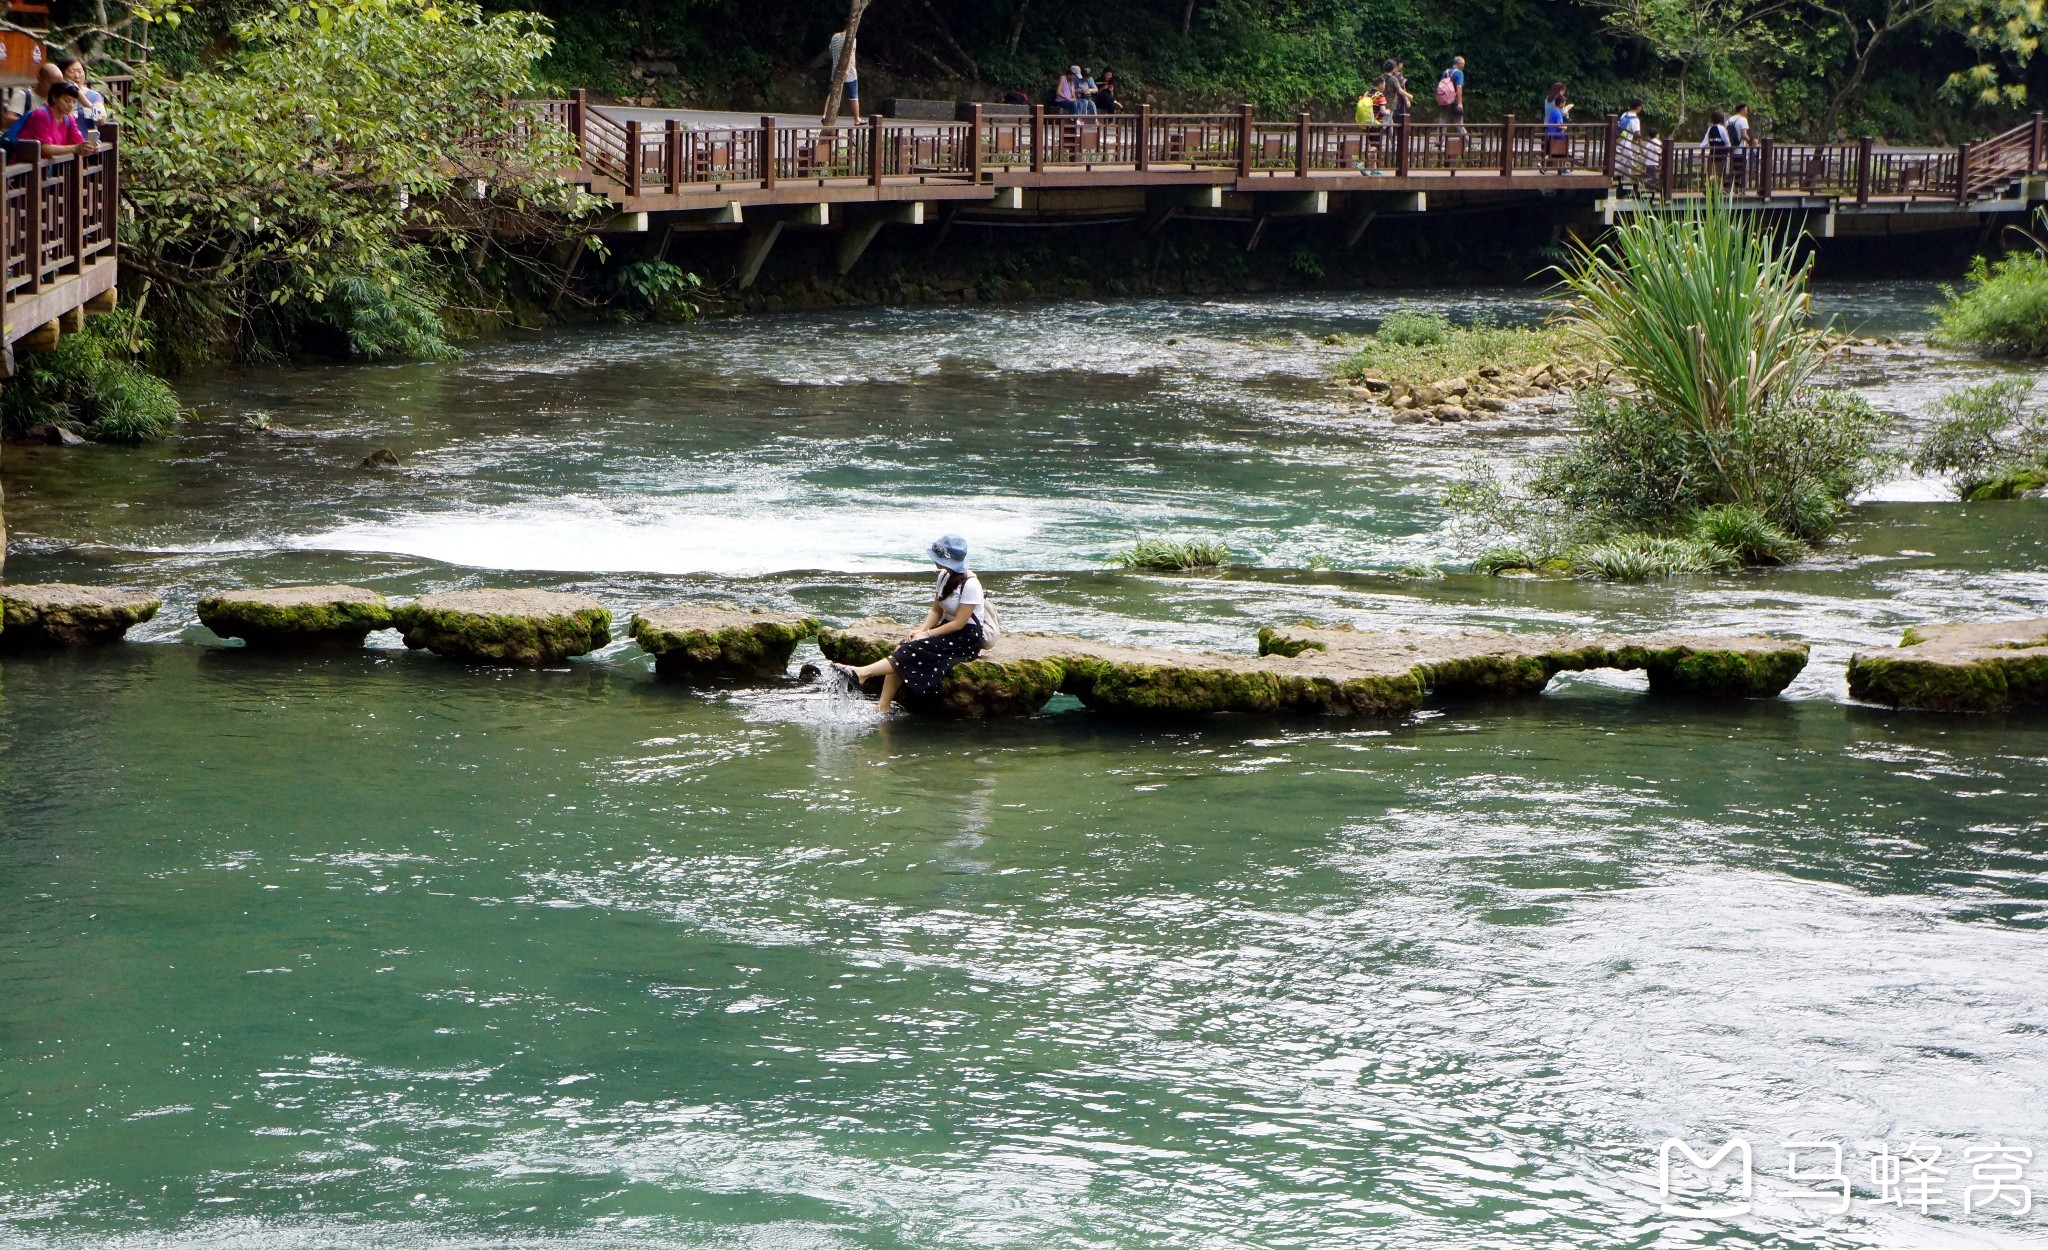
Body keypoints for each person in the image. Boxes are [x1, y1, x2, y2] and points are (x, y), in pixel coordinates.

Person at [829, 536, 998, 715]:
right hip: (948, 629)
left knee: (910, 652)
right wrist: (922, 630)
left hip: (966, 638)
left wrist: (926, 635)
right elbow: (936, 610)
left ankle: (863, 673)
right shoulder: (943, 577)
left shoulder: (971, 585)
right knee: (903, 647)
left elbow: (959, 624)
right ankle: (883, 706)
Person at [13, 81, 99, 157]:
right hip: (27, 167)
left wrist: (88, 147)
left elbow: (78, 141)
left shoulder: (69, 118)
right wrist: (75, 148)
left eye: (74, 102)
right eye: (67, 100)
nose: (71, 105)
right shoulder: (41, 115)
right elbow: (45, 148)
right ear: (54, 98)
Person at [3, 63, 64, 130]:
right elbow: (8, 119)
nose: (54, 88)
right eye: (51, 84)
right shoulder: (23, 96)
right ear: (39, 79)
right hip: (25, 139)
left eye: (58, 85)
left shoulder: (58, 99)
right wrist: (33, 120)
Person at [57, 57, 106, 127]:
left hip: (87, 137)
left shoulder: (93, 96)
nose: (77, 76)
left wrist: (84, 100)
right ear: (61, 74)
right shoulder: (56, 96)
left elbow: (101, 121)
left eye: (80, 71)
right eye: (72, 72)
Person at [826, 28, 860, 123]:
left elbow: (830, 51)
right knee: (853, 95)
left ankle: (825, 116)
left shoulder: (835, 37)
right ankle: (857, 119)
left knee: (833, 93)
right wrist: (848, 69)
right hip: (850, 73)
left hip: (836, 70)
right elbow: (850, 54)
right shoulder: (852, 39)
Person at [1436, 56, 1467, 143]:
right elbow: (1459, 87)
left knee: (1443, 121)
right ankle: (1466, 142)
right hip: (1454, 101)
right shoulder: (1459, 73)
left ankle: (1439, 141)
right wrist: (1460, 102)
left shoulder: (1446, 72)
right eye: (1463, 64)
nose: (1463, 66)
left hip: (1445, 100)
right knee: (1459, 122)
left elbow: (1441, 86)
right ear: (1459, 64)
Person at [1542, 81, 1571, 168]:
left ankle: (1545, 166)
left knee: (1548, 149)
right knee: (1560, 149)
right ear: (1561, 90)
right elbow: (1561, 113)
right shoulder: (1558, 100)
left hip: (1546, 125)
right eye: (1563, 91)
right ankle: (1562, 168)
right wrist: (1567, 108)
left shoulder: (1547, 98)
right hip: (1556, 130)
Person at [1376, 58, 1410, 126]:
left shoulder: (1381, 77)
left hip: (1381, 102)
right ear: (1394, 68)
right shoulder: (1394, 78)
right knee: (1385, 123)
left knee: (1389, 122)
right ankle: (1380, 135)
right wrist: (1409, 96)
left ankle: (1390, 136)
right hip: (1390, 104)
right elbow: (1400, 89)